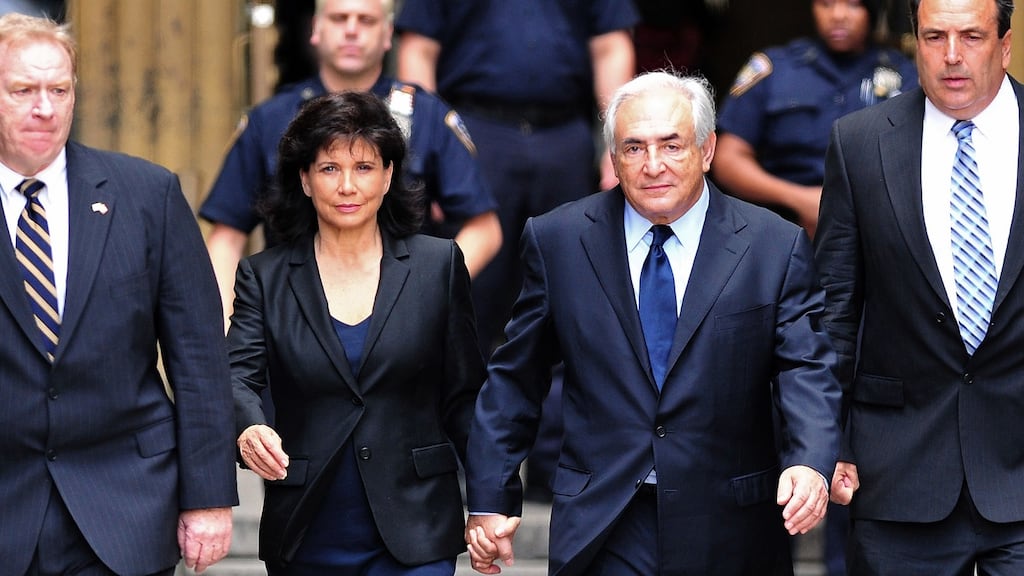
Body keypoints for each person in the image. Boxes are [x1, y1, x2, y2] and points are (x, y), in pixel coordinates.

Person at [463, 71, 841, 576]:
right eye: (634, 148)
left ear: (707, 150)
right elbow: (516, 377)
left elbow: (805, 367)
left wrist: (810, 460)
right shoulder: (559, 240)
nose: (653, 165)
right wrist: (490, 497)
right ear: (613, 158)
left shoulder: (773, 244)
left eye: (672, 145)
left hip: (730, 523)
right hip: (603, 520)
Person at [0, 13, 237, 576]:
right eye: (23, 90)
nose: (45, 108)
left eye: (60, 90)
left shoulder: (147, 194)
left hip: (126, 504)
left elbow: (199, 356)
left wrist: (208, 498)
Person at [229, 90, 485, 575]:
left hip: (418, 529)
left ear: (388, 175)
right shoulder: (264, 276)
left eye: (364, 167)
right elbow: (235, 376)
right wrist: (248, 426)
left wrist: (491, 501)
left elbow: (466, 398)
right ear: (305, 179)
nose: (347, 185)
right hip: (307, 529)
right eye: (329, 168)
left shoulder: (437, 265)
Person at [814, 0, 1024, 573]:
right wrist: (828, 441)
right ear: (915, 42)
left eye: (971, 36)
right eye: (935, 37)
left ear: (1005, 45)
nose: (952, 56)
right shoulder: (859, 143)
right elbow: (834, 312)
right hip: (898, 472)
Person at [201, 0, 500, 325]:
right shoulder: (270, 119)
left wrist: (425, 296)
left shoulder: (426, 115)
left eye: (366, 20)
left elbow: (484, 230)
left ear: (387, 34)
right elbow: (226, 239)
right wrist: (229, 331)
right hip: (292, 320)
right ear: (316, 29)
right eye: (340, 18)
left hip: (401, 321)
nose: (352, 30)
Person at [395, 0, 639, 355]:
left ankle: (564, 387)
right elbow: (419, 50)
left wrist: (617, 141)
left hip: (565, 134)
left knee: (573, 281)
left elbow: (610, 46)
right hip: (473, 131)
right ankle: (464, 386)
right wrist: (428, 155)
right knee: (471, 286)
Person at [713, 0, 917, 238]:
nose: (838, 15)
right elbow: (727, 159)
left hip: (877, 229)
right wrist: (797, 199)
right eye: (826, 3)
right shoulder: (775, 69)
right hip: (783, 228)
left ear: (872, 10)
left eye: (853, 4)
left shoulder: (904, 74)